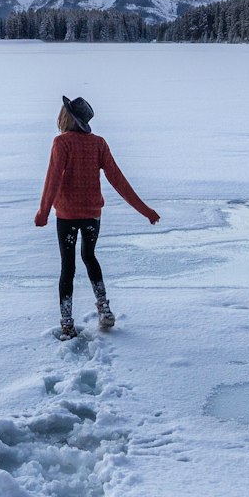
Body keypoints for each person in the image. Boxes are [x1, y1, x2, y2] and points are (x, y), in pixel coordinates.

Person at [34, 95, 160, 339]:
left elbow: (53, 179)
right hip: (92, 214)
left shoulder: (61, 143)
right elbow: (118, 180)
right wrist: (145, 210)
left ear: (66, 118)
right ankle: (104, 309)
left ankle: (67, 323)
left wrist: (44, 212)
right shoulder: (98, 143)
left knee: (67, 266)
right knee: (89, 256)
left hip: (67, 215)